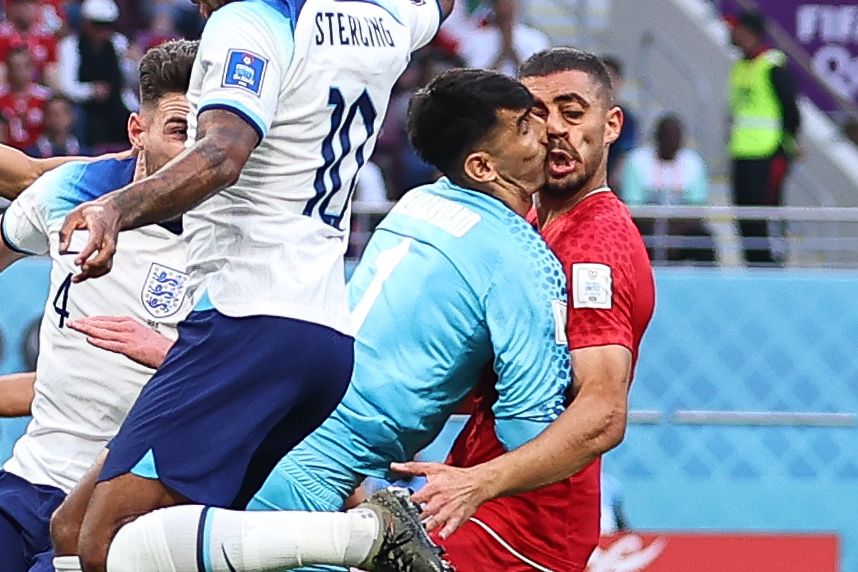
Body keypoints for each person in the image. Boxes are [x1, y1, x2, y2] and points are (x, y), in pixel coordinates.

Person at [61, 66, 568, 572]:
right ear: (481, 166)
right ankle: (363, 536)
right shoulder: (522, 259)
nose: (547, 133)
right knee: (112, 549)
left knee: (78, 535)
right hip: (313, 476)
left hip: (269, 413)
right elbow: (529, 429)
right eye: (526, 126)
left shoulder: (419, 203)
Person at [52, 0, 455, 571]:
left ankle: (366, 535)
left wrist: (115, 208)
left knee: (110, 539)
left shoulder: (251, 20)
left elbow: (221, 154)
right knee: (71, 528)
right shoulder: (384, 20)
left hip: (249, 318)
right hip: (319, 338)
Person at [393, 48, 655, 571]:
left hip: (522, 531)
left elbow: (603, 413)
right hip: (486, 510)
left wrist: (478, 482)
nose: (554, 128)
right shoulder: (533, 228)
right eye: (537, 114)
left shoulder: (593, 246)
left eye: (573, 111)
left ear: (611, 126)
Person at [0, 39, 198, 572]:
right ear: (139, 132)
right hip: (30, 481)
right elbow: (21, 187)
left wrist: (170, 354)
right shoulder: (72, 190)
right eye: (180, 132)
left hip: (134, 508)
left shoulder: (240, 244)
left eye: (210, 138)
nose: (196, 157)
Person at [727, 9, 801, 265]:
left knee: (766, 214)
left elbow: (791, 111)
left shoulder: (772, 65)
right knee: (744, 216)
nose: (732, 33)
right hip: (742, 151)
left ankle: (772, 265)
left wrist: (789, 145)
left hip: (768, 152)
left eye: (737, 29)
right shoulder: (739, 67)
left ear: (751, 34)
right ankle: (752, 265)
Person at [621, 113, 715, 264]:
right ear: (657, 137)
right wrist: (660, 231)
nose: (671, 141)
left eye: (675, 136)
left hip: (682, 229)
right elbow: (632, 207)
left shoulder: (693, 163)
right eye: (666, 135)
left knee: (704, 239)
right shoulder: (637, 162)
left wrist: (672, 233)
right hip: (647, 227)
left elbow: (697, 208)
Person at [56, 0, 137, 152]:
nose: (103, 31)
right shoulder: (70, 45)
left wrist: (134, 62)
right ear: (86, 24)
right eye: (98, 25)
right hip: (85, 107)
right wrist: (91, 91)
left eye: (107, 26)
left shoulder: (119, 43)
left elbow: (130, 81)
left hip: (116, 103)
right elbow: (67, 85)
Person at [0, 45, 50, 151]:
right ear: (8, 69)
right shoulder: (1, 96)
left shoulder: (45, 97)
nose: (19, 72)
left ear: (32, 68)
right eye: (15, 67)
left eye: (24, 66)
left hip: (39, 154)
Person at [0, 0, 59, 88]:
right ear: (11, 8)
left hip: (39, 88)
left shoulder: (46, 38)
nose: (26, 9)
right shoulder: (2, 36)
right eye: (21, 4)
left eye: (31, 4)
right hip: (7, 89)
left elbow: (52, 69)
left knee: (52, 72)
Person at [601, 55, 638, 194]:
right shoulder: (585, 115)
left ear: (619, 81)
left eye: (610, 79)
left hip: (612, 181)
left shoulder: (627, 119)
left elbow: (626, 152)